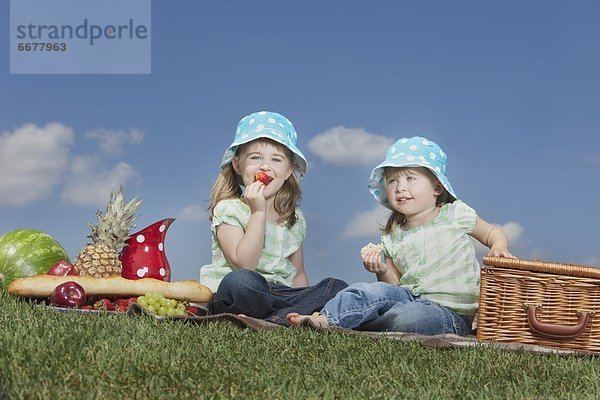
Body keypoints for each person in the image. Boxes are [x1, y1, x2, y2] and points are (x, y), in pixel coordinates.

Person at [287, 136, 515, 335]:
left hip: (451, 313)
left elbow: (492, 233)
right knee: (368, 290)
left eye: (410, 179)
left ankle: (362, 322)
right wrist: (383, 270)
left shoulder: (454, 213)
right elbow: (394, 287)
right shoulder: (394, 234)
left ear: (437, 187)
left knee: (411, 317)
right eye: (393, 180)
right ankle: (326, 318)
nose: (400, 187)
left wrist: (498, 246)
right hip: (409, 297)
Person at [200, 111, 348, 325]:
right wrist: (258, 212)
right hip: (243, 291)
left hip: (281, 295)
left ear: (288, 171)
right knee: (240, 282)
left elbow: (298, 274)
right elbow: (244, 263)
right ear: (237, 165)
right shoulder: (229, 209)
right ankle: (281, 319)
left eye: (276, 159)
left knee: (335, 286)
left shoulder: (294, 219)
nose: (265, 166)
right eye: (255, 157)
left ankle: (275, 318)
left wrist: (304, 294)